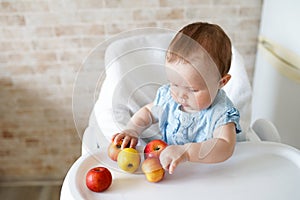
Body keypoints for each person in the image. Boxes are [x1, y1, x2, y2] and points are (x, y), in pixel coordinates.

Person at [112, 22, 241, 174]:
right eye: (174, 84)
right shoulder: (168, 98)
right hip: (173, 172)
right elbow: (147, 112)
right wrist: (132, 130)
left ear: (221, 82)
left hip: (209, 174)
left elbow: (225, 146)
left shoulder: (221, 113)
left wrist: (187, 152)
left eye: (192, 89)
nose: (180, 95)